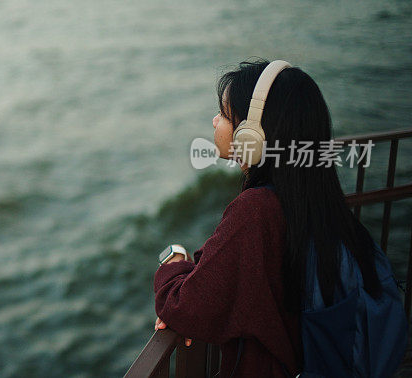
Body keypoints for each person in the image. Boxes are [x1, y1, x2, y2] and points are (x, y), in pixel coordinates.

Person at [152, 59, 385, 377]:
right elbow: (231, 269)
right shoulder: (311, 197)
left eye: (223, 114)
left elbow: (186, 307)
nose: (214, 120)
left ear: (251, 136)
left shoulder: (256, 210)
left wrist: (173, 264)